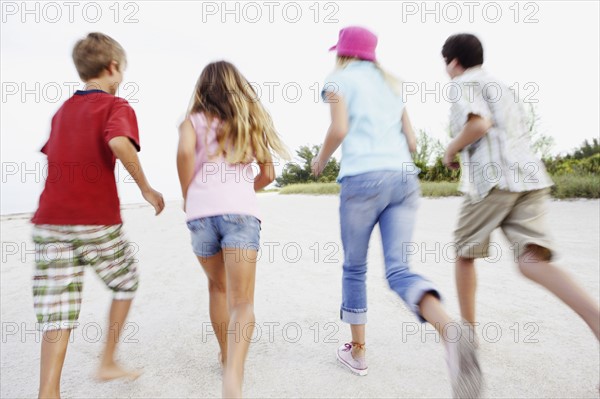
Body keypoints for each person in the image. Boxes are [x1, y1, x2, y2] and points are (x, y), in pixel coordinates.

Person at [312, 26, 483, 398]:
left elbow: (339, 128)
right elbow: (412, 139)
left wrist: (320, 159)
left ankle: (357, 354)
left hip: (361, 179)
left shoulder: (337, 79)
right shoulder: (392, 83)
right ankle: (450, 332)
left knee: (355, 268)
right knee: (399, 269)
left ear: (342, 53)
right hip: (404, 179)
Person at [441, 33, 600, 345]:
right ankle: (596, 319)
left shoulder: (462, 82)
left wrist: (451, 150)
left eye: (445, 63)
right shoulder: (502, 86)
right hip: (530, 177)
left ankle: (468, 335)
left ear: (453, 62)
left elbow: (478, 124)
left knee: (464, 253)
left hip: (493, 180)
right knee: (532, 262)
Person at [31, 32, 165, 399]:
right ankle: (107, 360)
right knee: (125, 283)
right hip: (95, 219)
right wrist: (146, 188)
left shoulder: (61, 112)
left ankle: (48, 391)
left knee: (57, 307)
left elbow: (58, 155)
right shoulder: (116, 105)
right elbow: (118, 142)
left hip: (49, 221)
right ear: (113, 67)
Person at [177, 61, 289, 398]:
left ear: (202, 89)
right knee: (243, 302)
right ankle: (234, 378)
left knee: (217, 288)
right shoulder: (247, 123)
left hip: (200, 216)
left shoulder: (191, 122)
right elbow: (268, 173)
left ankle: (226, 356)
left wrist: (188, 195)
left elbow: (184, 153)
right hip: (240, 215)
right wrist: (243, 191)